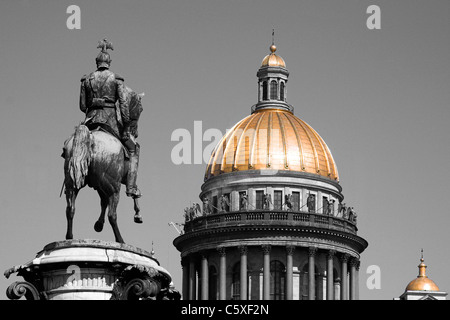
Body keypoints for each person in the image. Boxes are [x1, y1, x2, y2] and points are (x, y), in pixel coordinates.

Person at [79, 39, 141, 199]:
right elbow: (124, 105)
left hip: (90, 122)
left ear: (96, 62)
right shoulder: (117, 79)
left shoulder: (86, 79)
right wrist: (126, 124)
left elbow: (82, 105)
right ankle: (132, 188)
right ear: (109, 63)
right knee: (133, 149)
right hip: (110, 122)